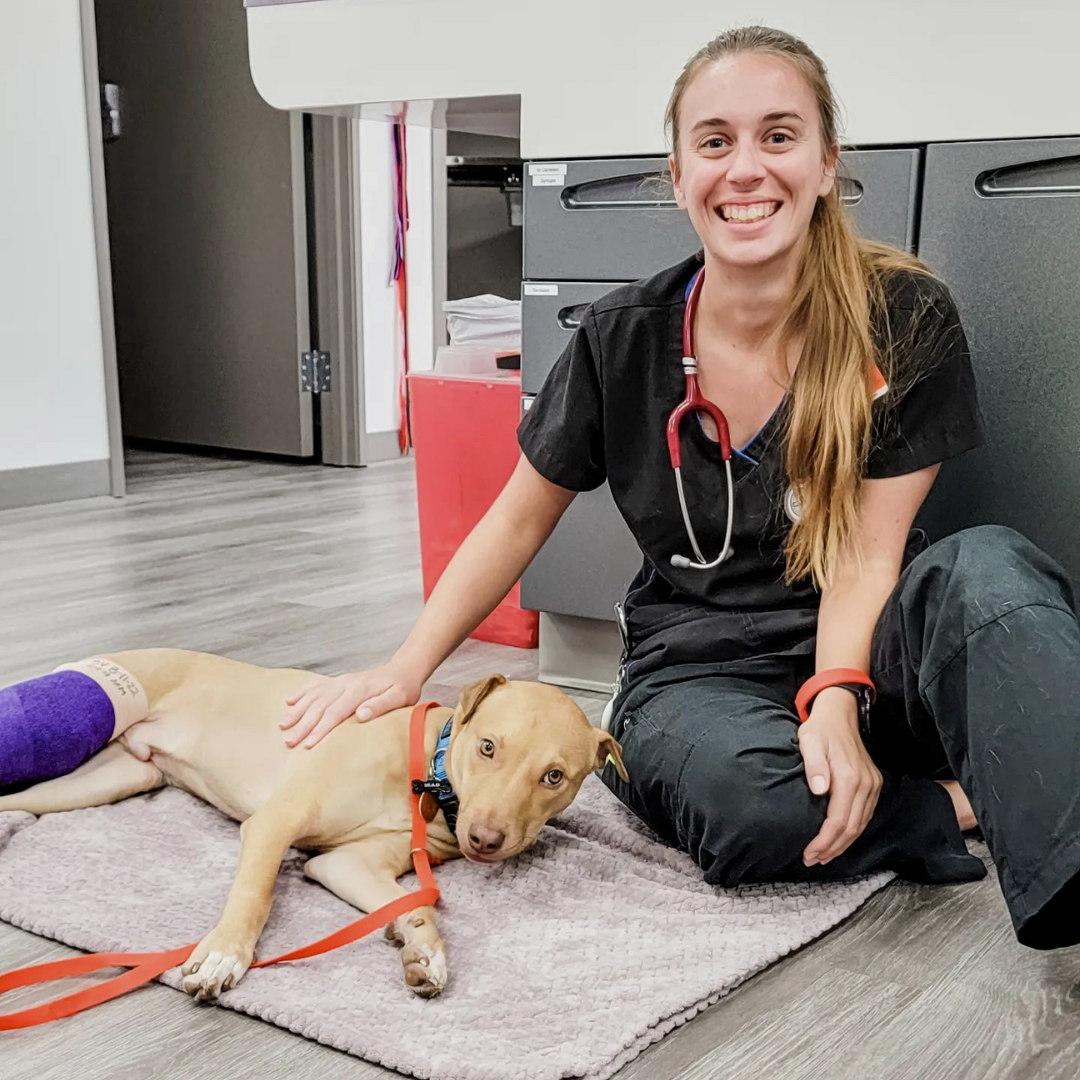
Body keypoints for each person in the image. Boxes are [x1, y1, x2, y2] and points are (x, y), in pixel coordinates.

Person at [282, 26, 1080, 949]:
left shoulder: (902, 317)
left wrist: (834, 694)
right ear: (679, 176)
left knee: (991, 571)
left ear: (827, 164)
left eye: (779, 137)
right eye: (715, 142)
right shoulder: (623, 338)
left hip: (873, 637)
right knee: (745, 809)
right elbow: (513, 522)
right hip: (703, 665)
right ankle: (963, 797)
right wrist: (403, 669)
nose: (747, 169)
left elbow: (868, 553)